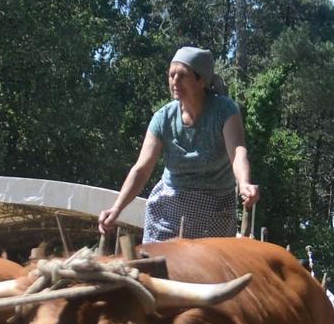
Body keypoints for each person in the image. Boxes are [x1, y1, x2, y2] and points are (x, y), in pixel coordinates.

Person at [97, 46, 258, 242]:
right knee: (155, 266)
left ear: (201, 80)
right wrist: (117, 208)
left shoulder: (224, 110)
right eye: (171, 75)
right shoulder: (162, 118)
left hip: (214, 208)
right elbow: (141, 169)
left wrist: (244, 183)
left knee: (209, 270)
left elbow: (238, 152)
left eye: (182, 76)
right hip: (169, 207)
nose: (174, 81)